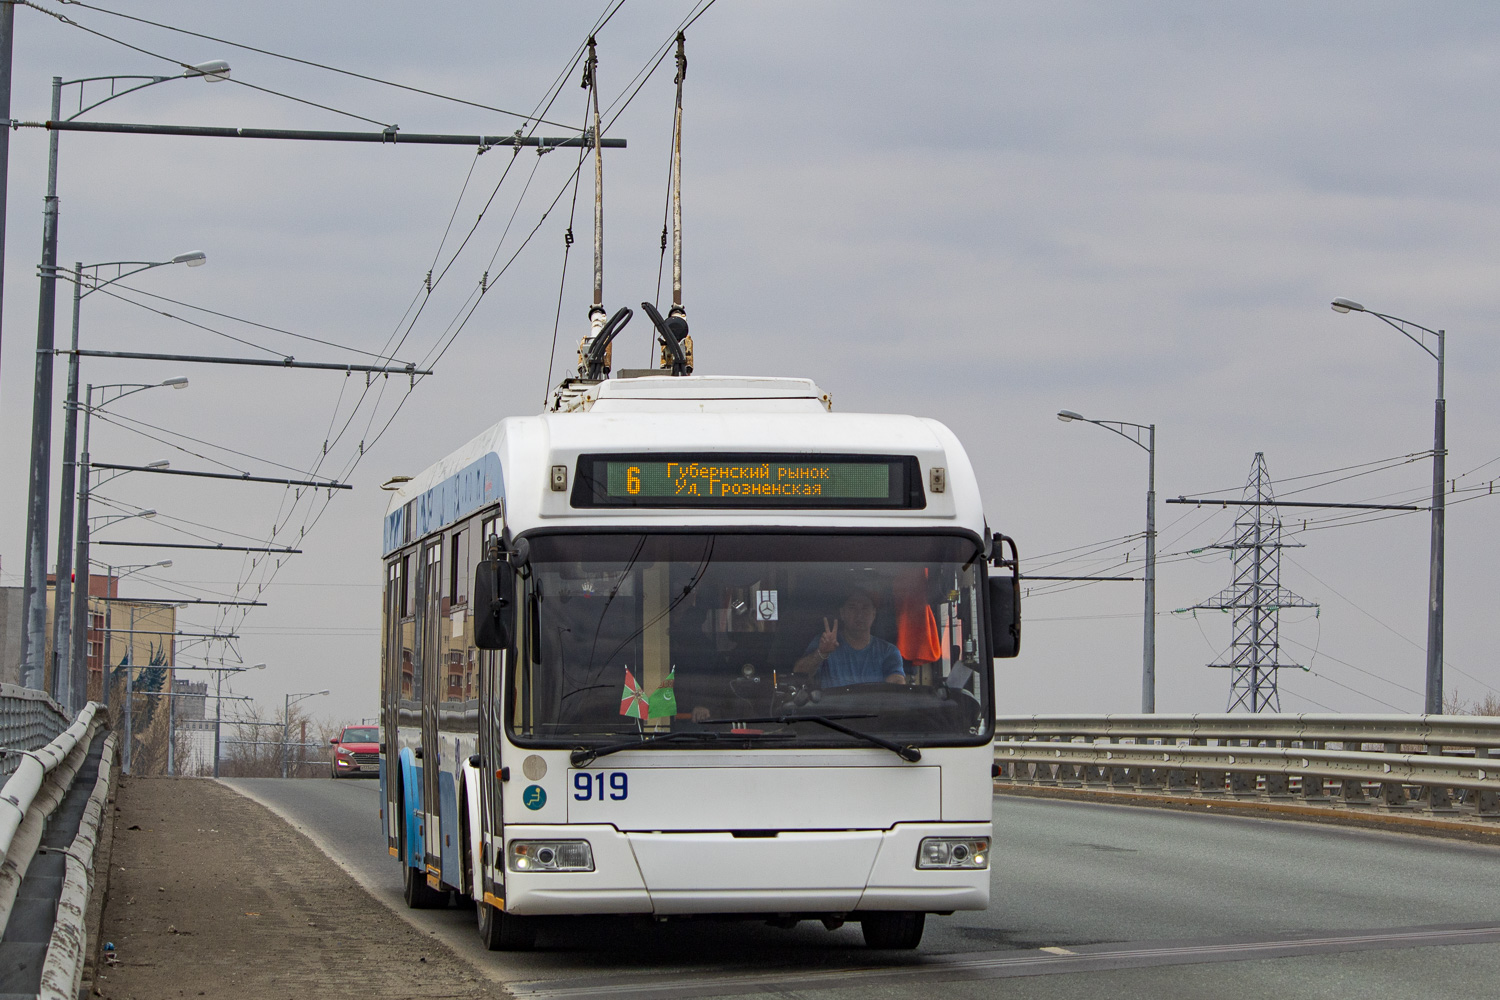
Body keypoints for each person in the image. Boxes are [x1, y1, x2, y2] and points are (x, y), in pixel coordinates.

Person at [793, 590, 905, 686]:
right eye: (852, 607)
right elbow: (799, 674)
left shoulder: (888, 651)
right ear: (842, 613)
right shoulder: (824, 642)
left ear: (874, 614)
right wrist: (821, 653)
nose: (859, 615)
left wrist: (899, 685)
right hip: (830, 711)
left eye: (865, 608)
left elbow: (896, 682)